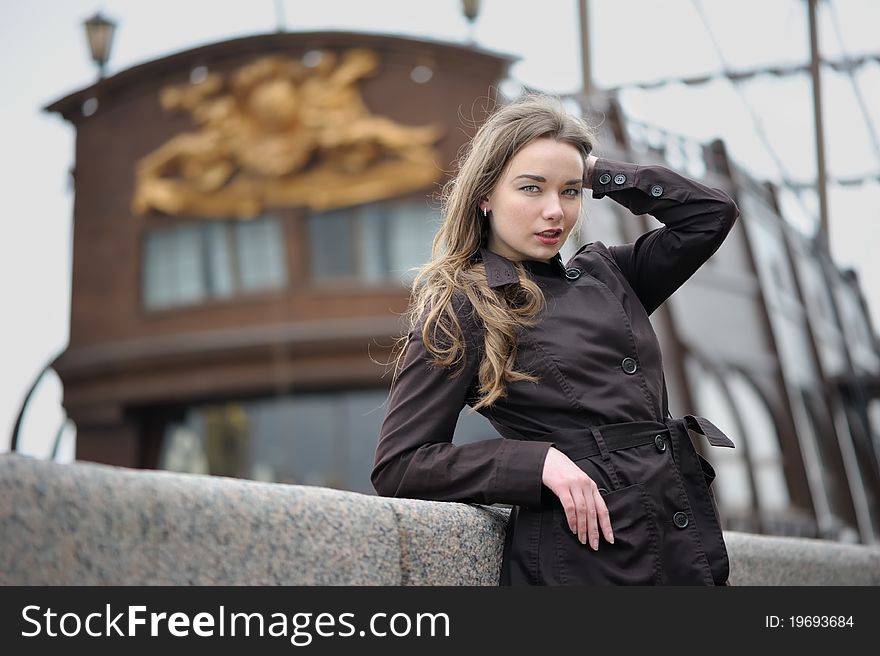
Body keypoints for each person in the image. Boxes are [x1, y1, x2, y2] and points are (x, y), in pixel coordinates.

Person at [371, 93, 739, 585]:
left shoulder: (609, 273)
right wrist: (536, 461)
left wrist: (598, 171)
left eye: (569, 192)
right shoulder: (465, 307)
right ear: (485, 196)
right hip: (589, 560)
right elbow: (400, 465)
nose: (555, 212)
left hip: (678, 535)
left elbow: (710, 215)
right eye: (531, 188)